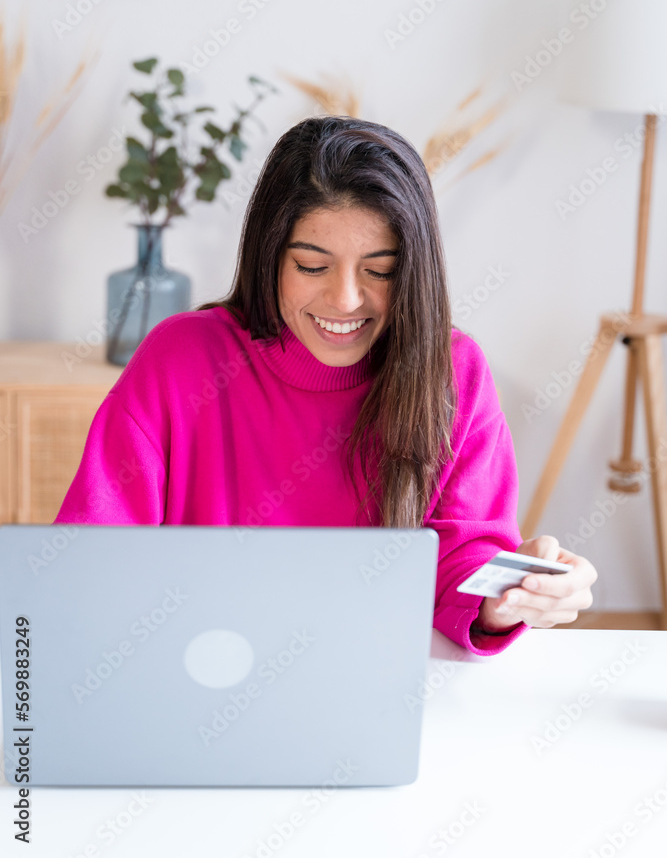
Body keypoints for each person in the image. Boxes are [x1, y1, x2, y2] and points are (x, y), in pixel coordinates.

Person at [54, 115, 597, 655]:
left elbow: (464, 554)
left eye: (379, 271)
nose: (345, 300)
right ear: (270, 257)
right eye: (312, 266)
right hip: (194, 672)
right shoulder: (183, 360)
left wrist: (506, 598)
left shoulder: (453, 372)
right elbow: (94, 555)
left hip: (374, 680)